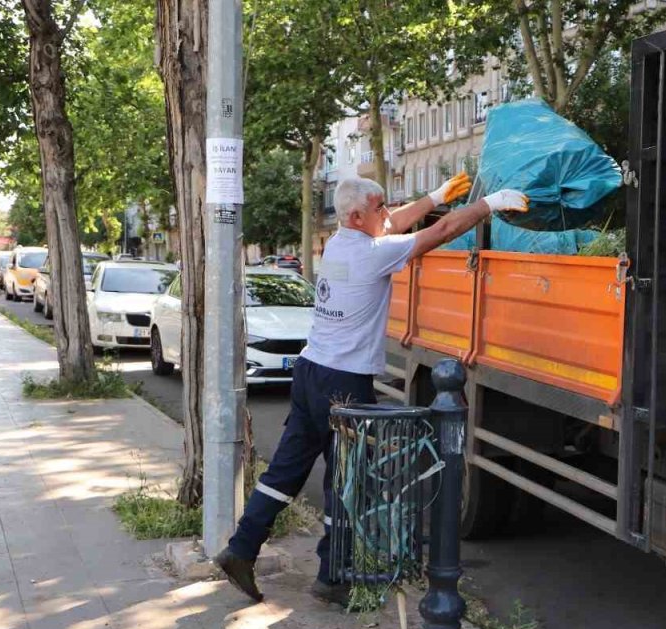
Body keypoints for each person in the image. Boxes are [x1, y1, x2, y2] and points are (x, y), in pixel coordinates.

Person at [214, 172, 528, 604]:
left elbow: (391, 226)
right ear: (358, 215)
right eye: (380, 206)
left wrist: (433, 196)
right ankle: (333, 576)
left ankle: (241, 549)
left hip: (311, 371)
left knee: (285, 470)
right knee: (349, 481)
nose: (386, 212)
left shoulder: (341, 244)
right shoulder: (370, 254)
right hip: (343, 380)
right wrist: (488, 204)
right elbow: (442, 230)